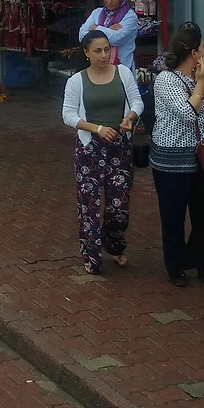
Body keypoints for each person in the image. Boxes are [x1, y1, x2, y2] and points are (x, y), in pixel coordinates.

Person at [151, 24, 204, 288]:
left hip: (202, 157)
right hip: (171, 159)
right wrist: (200, 85)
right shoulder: (166, 80)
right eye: (202, 47)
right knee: (174, 215)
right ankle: (176, 266)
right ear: (192, 53)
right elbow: (189, 113)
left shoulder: (199, 75)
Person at [61, 30, 144, 275]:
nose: (104, 55)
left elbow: (137, 102)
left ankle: (113, 244)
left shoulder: (123, 73)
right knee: (89, 204)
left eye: (107, 49)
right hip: (90, 149)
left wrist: (129, 118)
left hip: (119, 147)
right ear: (86, 53)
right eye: (97, 50)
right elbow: (68, 115)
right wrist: (97, 129)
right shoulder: (76, 81)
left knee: (118, 205)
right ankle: (92, 255)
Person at [79, 0, 138, 71]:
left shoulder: (130, 16)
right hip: (97, 66)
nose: (109, 2)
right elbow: (81, 36)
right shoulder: (97, 13)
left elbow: (116, 39)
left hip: (121, 67)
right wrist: (108, 30)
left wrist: (96, 28)